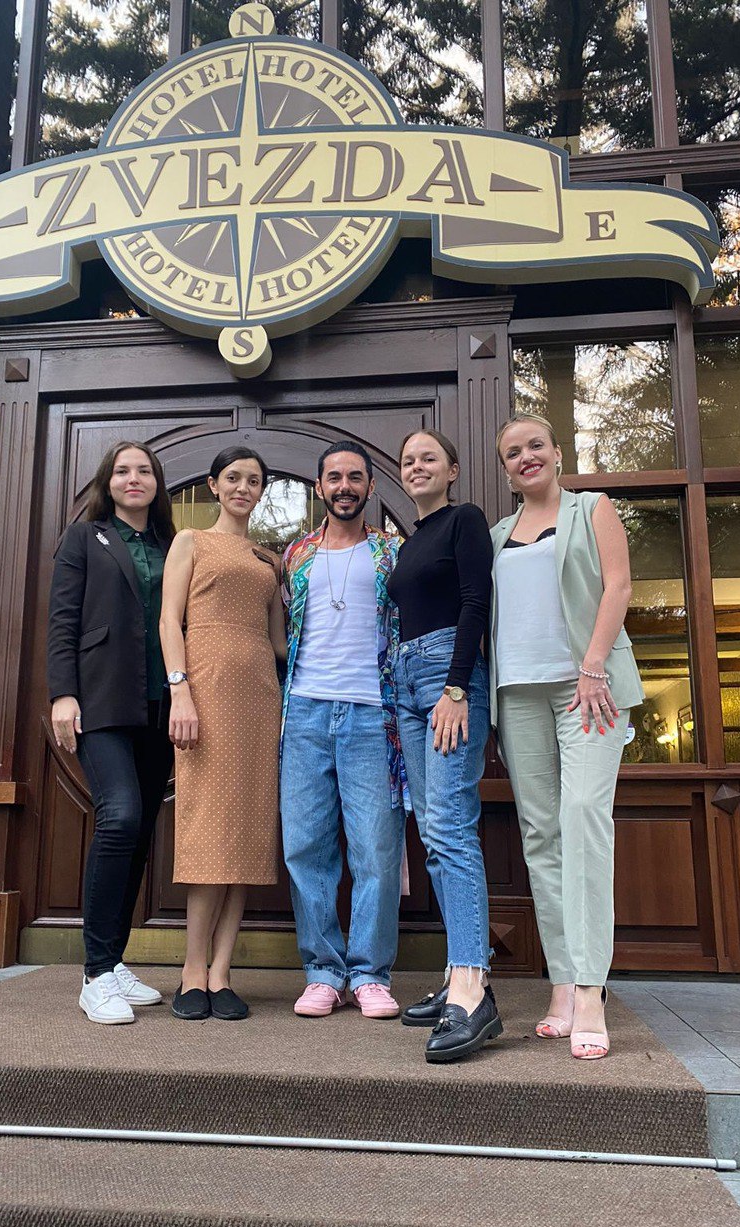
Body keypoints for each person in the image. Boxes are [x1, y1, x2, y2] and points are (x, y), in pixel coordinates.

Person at [491, 413, 644, 1061]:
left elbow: (619, 585)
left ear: (557, 453)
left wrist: (592, 664)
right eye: (512, 452)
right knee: (542, 837)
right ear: (505, 469)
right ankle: (561, 983)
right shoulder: (497, 535)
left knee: (583, 817)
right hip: (518, 694)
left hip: (589, 689)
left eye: (535, 446)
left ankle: (588, 991)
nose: (525, 457)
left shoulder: (592, 509)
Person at [48, 440, 175, 1026]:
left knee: (141, 829)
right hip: (100, 701)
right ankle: (95, 974)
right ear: (109, 481)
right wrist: (62, 693)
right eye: (122, 470)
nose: (133, 478)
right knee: (119, 816)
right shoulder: (85, 537)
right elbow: (63, 618)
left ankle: (115, 960)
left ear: (157, 483)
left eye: (144, 470)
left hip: (159, 706)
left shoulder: (171, 544)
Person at [280, 442, 406, 1019]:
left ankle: (370, 974)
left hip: (371, 713)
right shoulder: (296, 554)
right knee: (306, 846)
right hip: (305, 712)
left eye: (356, 477)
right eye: (334, 477)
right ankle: (323, 972)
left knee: (376, 848)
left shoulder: (391, 552)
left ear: (371, 487)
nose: (345, 486)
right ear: (319, 487)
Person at [160, 447, 286, 1021]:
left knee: (248, 835)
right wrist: (179, 690)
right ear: (214, 485)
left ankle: (222, 971)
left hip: (260, 697)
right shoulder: (190, 541)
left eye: (253, 480)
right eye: (233, 478)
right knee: (209, 830)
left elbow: (280, 642)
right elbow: (169, 619)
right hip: (205, 691)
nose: (243, 487)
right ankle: (192, 970)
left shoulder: (269, 559)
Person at [389, 430, 502, 1064]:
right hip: (408, 681)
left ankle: (472, 989)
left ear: (453, 470)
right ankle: (461, 971)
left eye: (428, 458)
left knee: (452, 828)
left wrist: (457, 686)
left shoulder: (465, 520)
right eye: (408, 461)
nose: (416, 467)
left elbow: (474, 601)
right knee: (433, 830)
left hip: (446, 678)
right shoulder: (410, 540)